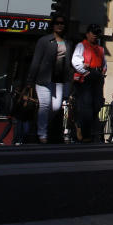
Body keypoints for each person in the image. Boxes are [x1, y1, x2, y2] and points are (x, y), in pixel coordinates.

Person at [26, 15, 73, 144]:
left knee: (57, 106)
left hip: (58, 79)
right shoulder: (44, 40)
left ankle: (41, 123)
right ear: (53, 25)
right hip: (43, 78)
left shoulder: (67, 43)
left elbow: (68, 64)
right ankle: (42, 134)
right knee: (45, 105)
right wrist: (30, 80)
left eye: (62, 23)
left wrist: (69, 82)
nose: (60, 25)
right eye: (57, 23)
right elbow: (36, 61)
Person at [72, 23, 107, 143]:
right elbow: (75, 61)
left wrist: (102, 74)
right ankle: (85, 132)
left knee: (97, 105)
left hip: (97, 78)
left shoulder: (100, 49)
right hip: (86, 78)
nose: (95, 35)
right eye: (93, 33)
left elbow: (104, 63)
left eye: (97, 33)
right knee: (86, 106)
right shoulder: (81, 45)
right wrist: (84, 71)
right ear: (87, 34)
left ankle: (85, 129)